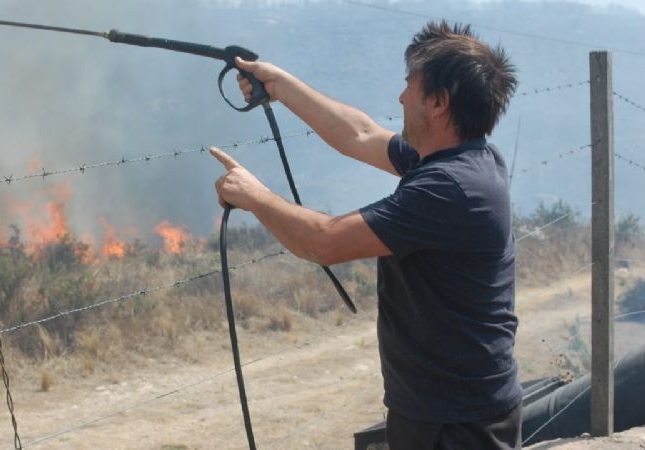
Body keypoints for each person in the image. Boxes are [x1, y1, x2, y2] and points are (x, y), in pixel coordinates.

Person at [211, 21, 521, 449]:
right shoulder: (466, 158)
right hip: (448, 409)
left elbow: (323, 242)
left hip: (455, 423)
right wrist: (279, 84)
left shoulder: (450, 188)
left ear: (438, 103)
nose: (401, 97)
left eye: (410, 85)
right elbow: (360, 134)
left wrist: (254, 196)